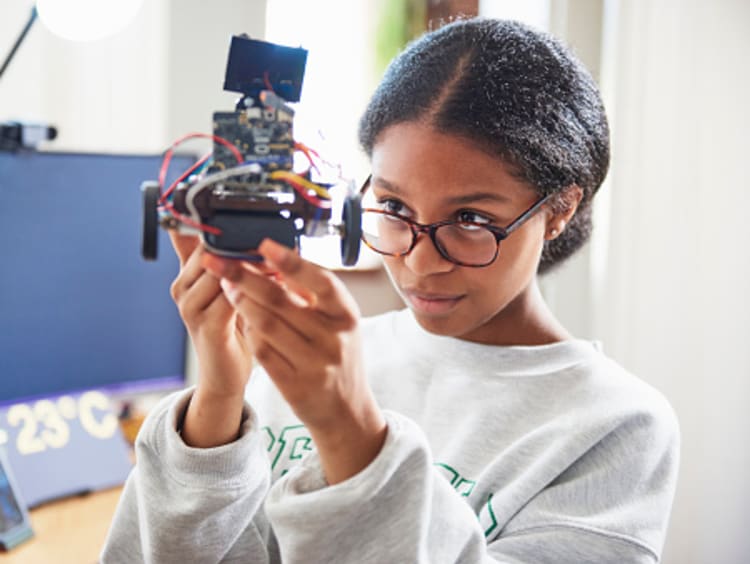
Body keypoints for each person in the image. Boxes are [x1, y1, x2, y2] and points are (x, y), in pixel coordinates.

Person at [101, 17, 679, 563]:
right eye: (396, 208)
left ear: (558, 209)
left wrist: (350, 430)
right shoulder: (310, 361)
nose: (421, 262)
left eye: (472, 219)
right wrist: (220, 399)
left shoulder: (617, 425)